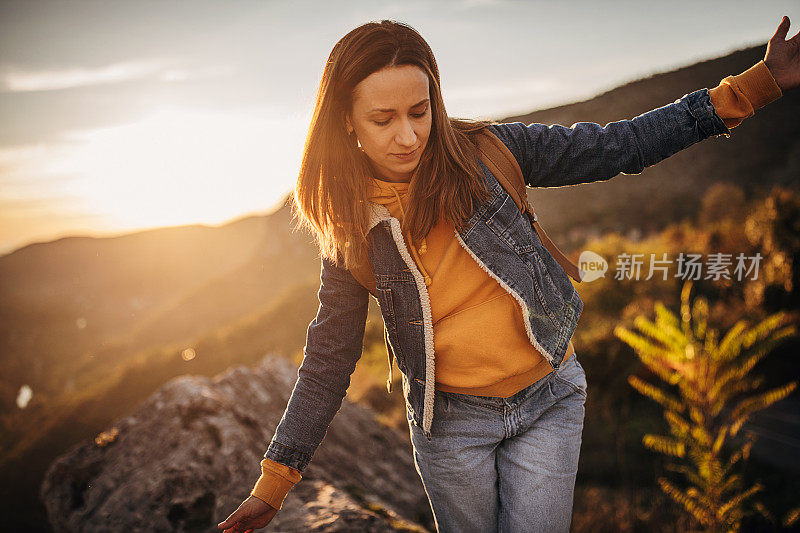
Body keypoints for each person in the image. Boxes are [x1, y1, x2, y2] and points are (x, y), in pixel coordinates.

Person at [219, 17, 796, 533]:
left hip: (548, 397)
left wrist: (754, 85)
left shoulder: (489, 152)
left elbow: (619, 146)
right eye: (383, 119)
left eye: (421, 112)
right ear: (346, 122)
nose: (409, 136)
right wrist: (273, 486)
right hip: (450, 427)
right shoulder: (348, 227)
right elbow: (328, 358)